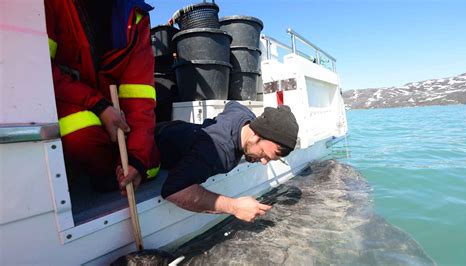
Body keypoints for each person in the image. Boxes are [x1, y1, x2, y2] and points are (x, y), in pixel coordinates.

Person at [45, 0, 160, 191]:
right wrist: (99, 105)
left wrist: (136, 159)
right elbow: (39, 69)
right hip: (69, 100)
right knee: (80, 134)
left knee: (150, 164)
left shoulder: (135, 13)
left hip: (117, 116)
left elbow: (139, 96)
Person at [118, 101, 299, 222]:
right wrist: (234, 206)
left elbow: (232, 105)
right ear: (257, 135)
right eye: (265, 155)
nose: (264, 162)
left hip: (169, 127)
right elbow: (173, 189)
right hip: (148, 145)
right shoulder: (218, 152)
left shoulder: (244, 117)